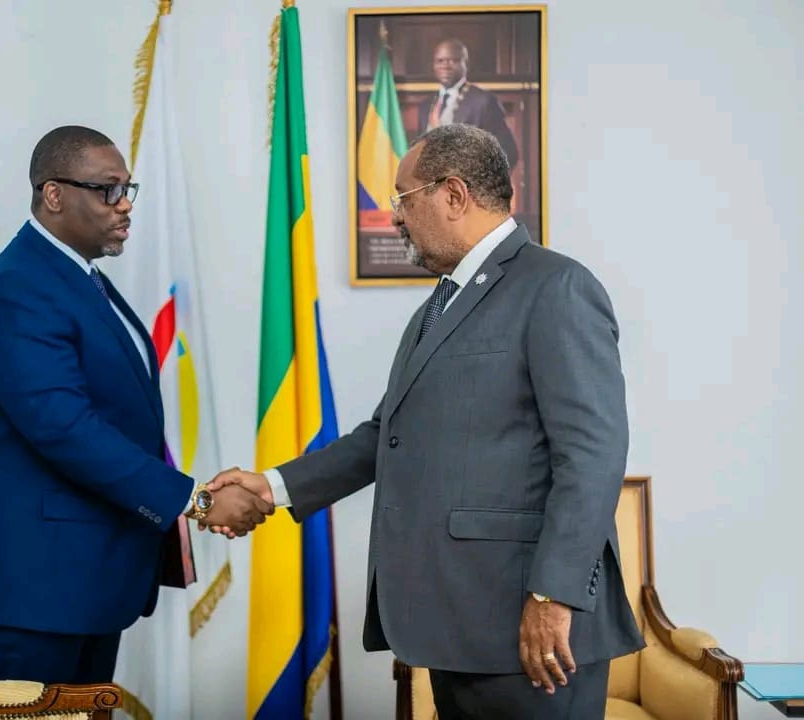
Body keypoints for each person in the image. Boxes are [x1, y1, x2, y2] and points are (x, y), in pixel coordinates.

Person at [210, 124, 644, 718]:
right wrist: (272, 486)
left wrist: (553, 596)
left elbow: (592, 455)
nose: (395, 216)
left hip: (532, 627)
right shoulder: (438, 307)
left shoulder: (557, 286)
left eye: (403, 198)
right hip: (458, 623)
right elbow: (385, 435)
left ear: (454, 194)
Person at [0, 125, 271, 685]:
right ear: (54, 194)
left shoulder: (76, 278)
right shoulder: (17, 289)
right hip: (28, 584)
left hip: (81, 577)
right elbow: (66, 429)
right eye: (108, 190)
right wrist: (198, 501)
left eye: (127, 189)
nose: (125, 205)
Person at [418, 39, 519, 169]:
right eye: (440, 61)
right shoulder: (426, 106)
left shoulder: (483, 101)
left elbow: (509, 153)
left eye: (453, 60)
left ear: (466, 64)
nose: (445, 66)